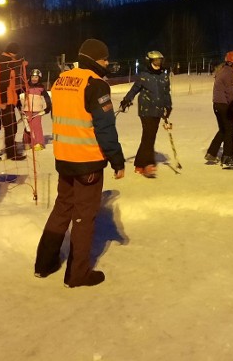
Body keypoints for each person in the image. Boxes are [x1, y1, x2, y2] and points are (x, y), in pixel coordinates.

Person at [34, 38, 126, 288]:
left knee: (62, 208)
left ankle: (44, 263)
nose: (107, 63)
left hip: (64, 157)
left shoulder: (61, 80)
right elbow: (105, 128)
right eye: (105, 59)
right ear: (95, 59)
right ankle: (78, 274)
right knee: (84, 217)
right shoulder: (95, 85)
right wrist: (117, 161)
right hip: (87, 160)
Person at [119, 50, 172, 177]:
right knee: (148, 136)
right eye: (155, 61)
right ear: (149, 62)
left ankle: (139, 164)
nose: (158, 63)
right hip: (146, 110)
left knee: (149, 137)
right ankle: (148, 164)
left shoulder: (164, 77)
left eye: (159, 61)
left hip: (158, 111)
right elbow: (134, 89)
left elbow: (166, 93)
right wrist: (127, 99)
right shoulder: (144, 76)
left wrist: (168, 107)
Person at [205, 51, 233, 168]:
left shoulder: (223, 71)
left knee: (223, 129)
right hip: (224, 105)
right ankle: (227, 157)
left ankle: (211, 152)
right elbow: (231, 94)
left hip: (217, 104)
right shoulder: (230, 74)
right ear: (231, 63)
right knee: (230, 131)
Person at [23, 68, 51, 151]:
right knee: (27, 127)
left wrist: (48, 107)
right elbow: (18, 92)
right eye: (32, 77)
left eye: (36, 77)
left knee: (37, 127)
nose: (34, 79)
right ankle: (27, 142)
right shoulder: (26, 86)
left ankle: (39, 143)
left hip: (37, 111)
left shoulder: (41, 88)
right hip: (27, 110)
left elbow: (47, 98)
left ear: (39, 78)